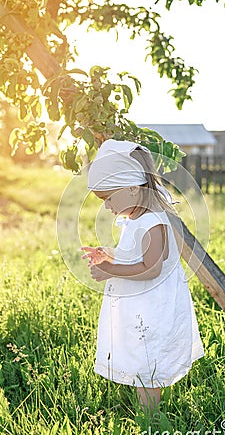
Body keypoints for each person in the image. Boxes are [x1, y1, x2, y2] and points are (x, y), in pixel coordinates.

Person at [81, 139, 204, 412]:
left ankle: (150, 419)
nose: (107, 206)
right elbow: (136, 256)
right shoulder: (136, 219)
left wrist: (109, 270)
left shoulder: (152, 222)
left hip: (152, 304)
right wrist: (110, 254)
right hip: (141, 303)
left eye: (109, 198)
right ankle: (146, 406)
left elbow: (152, 268)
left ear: (133, 190)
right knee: (140, 354)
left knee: (148, 360)